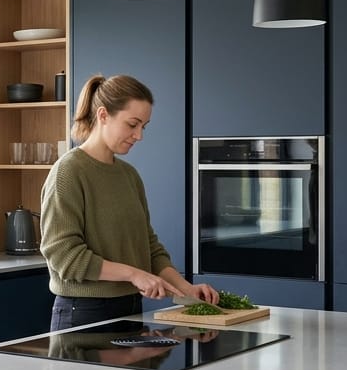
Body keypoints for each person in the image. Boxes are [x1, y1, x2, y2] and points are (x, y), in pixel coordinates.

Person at [40, 73, 218, 332]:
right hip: (84, 313)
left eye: (143, 126)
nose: (139, 135)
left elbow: (149, 248)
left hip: (130, 308)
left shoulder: (128, 175)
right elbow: (63, 256)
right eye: (132, 124)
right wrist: (134, 274)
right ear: (103, 116)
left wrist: (187, 289)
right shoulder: (68, 172)